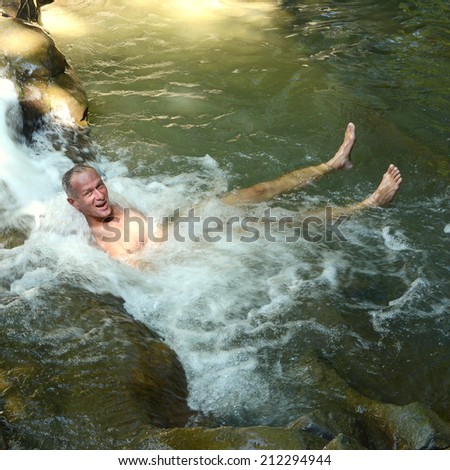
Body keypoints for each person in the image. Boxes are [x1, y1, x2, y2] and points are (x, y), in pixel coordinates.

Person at [62, 123, 402, 260]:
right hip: (197, 244)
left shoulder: (108, 202)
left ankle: (333, 163)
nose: (100, 195)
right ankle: (369, 204)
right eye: (89, 194)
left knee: (259, 190)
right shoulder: (107, 244)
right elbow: (147, 275)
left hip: (186, 223)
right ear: (74, 203)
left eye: (99, 185)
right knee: (279, 222)